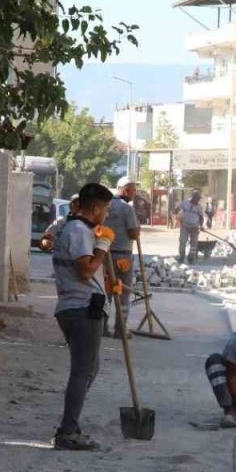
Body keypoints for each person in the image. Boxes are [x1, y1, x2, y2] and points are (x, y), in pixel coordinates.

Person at [50, 182, 116, 451]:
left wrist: (109, 282)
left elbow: (92, 273)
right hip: (81, 308)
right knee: (82, 371)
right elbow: (86, 271)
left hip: (80, 305)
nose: (107, 215)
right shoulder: (78, 230)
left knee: (90, 368)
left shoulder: (79, 229)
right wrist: (102, 246)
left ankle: (71, 423)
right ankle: (68, 431)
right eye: (107, 210)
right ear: (96, 208)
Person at [104, 177, 140, 338]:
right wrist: (138, 229)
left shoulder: (106, 205)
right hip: (122, 257)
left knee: (106, 293)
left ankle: (102, 327)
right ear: (124, 189)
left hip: (104, 254)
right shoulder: (127, 209)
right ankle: (120, 329)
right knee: (122, 293)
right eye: (133, 190)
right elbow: (133, 233)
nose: (134, 193)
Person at [176, 189, 205, 263]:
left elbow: (201, 217)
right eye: (197, 198)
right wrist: (179, 216)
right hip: (185, 226)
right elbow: (177, 209)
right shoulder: (185, 203)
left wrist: (201, 225)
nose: (198, 200)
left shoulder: (199, 207)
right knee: (182, 241)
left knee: (194, 243)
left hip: (195, 227)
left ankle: (191, 258)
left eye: (199, 199)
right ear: (193, 198)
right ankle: (182, 256)